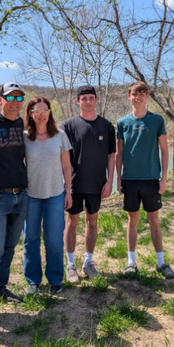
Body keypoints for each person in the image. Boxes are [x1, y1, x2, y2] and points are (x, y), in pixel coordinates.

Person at [115, 82, 174, 279]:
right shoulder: (123, 122)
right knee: (132, 220)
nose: (138, 97)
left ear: (147, 96)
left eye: (142, 94)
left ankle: (161, 262)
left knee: (154, 221)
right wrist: (118, 178)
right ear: (129, 96)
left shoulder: (156, 120)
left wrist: (164, 178)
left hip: (151, 179)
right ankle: (131, 262)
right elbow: (118, 153)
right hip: (130, 179)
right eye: (135, 94)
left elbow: (165, 150)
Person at [0, 82, 28, 329]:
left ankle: (0, 287)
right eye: (9, 97)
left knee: (10, 247)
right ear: (0, 100)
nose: (15, 102)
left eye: (19, 98)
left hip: (21, 196)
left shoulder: (21, 124)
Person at [61, 85, 116, 282]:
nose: (88, 102)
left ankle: (88, 262)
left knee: (92, 222)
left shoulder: (107, 126)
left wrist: (110, 181)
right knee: (72, 222)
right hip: (74, 185)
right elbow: (63, 159)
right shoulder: (68, 125)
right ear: (78, 101)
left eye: (91, 98)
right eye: (84, 99)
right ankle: (70, 264)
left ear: (96, 100)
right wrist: (66, 188)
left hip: (97, 185)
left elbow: (111, 155)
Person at [23, 96, 73, 295]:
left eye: (45, 111)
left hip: (55, 194)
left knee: (53, 239)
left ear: (50, 113)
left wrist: (68, 191)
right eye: (37, 111)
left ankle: (54, 279)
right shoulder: (24, 136)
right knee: (31, 239)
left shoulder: (60, 135)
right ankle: (33, 281)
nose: (42, 115)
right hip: (30, 195)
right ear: (30, 114)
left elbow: (67, 165)